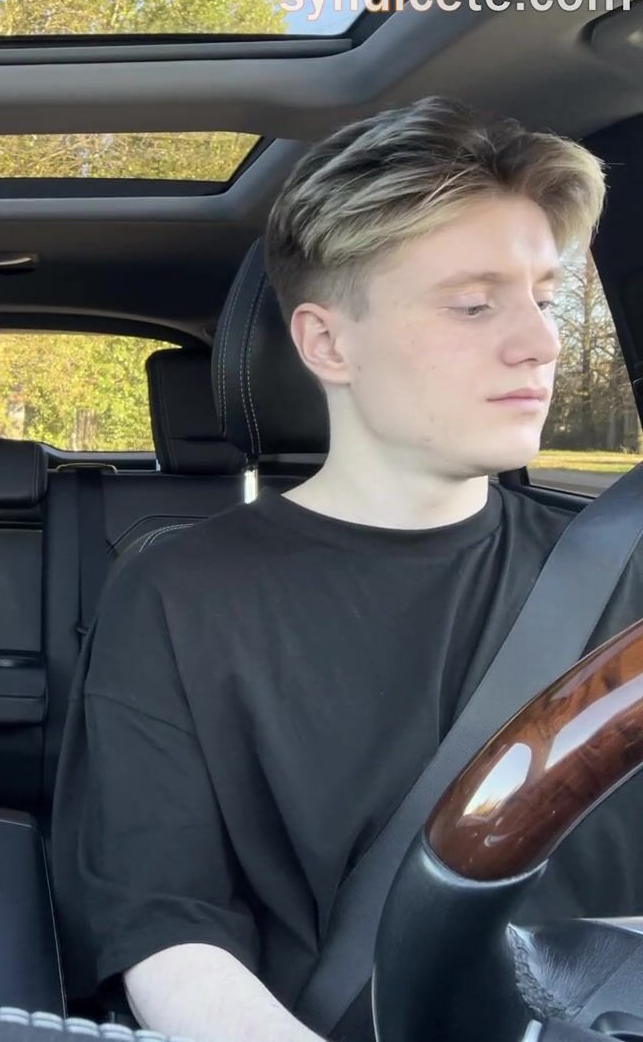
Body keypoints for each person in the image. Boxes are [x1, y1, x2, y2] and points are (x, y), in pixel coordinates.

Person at [51, 96, 643, 1042]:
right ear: (328, 343)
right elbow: (163, 923)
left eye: (542, 294)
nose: (542, 340)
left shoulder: (625, 575)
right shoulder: (176, 593)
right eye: (474, 304)